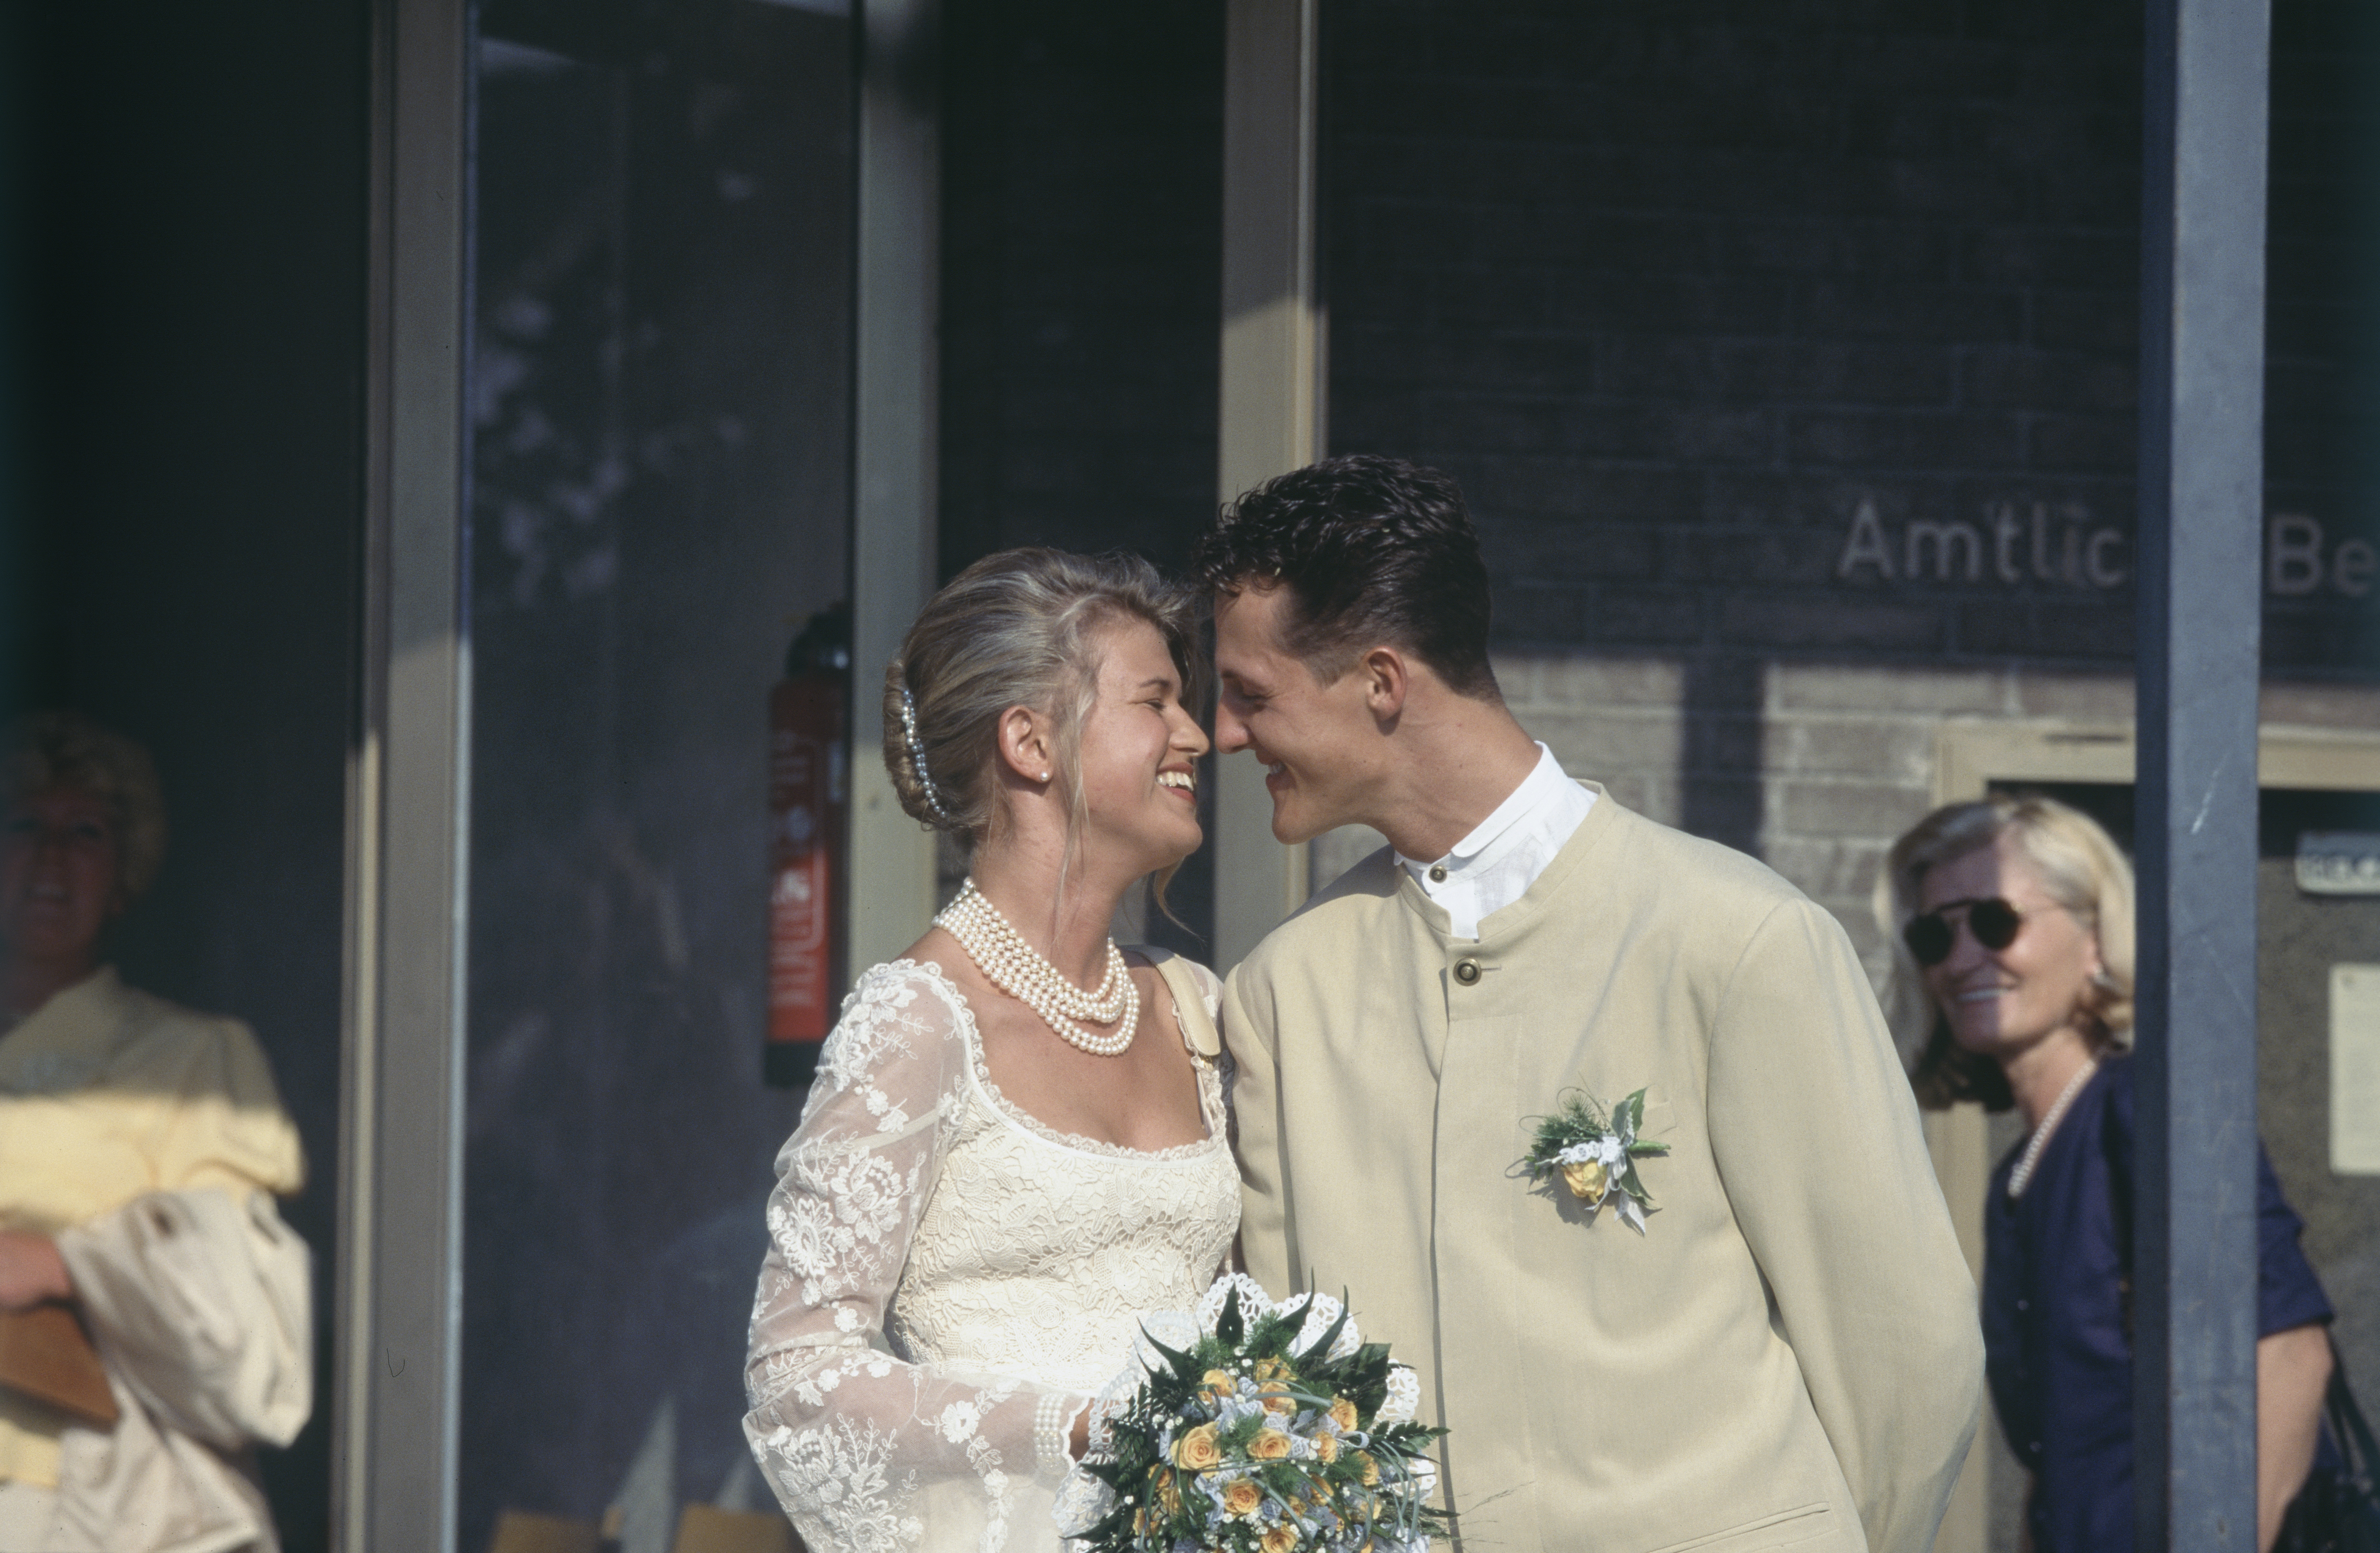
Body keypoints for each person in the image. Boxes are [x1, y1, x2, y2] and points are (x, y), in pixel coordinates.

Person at [1195, 455, 1984, 1553]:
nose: (1222, 734)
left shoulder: (1738, 938)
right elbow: (1291, 1387)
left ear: (1381, 681)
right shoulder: (1281, 993)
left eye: (1250, 692)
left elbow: (1905, 1346)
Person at [741, 549, 1239, 1553]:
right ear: (1030, 742)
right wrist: (1084, 1430)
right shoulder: (918, 1021)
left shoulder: (1194, 1007)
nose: (1195, 735)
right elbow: (799, 1368)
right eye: (1155, 701)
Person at [1880, 794, 2334, 1553]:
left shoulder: (2143, 1108)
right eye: (1935, 934)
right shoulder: (2017, 1179)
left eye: (1995, 921)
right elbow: (2061, 1452)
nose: (1961, 961)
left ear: (2095, 936)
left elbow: (2288, 1353)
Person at [0, 713, 310, 1553]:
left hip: (88, 1503)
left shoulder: (191, 1057)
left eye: (86, 833)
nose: (52, 857)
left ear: (122, 873)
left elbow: (247, 1334)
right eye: (23, 824)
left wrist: (61, 1262)